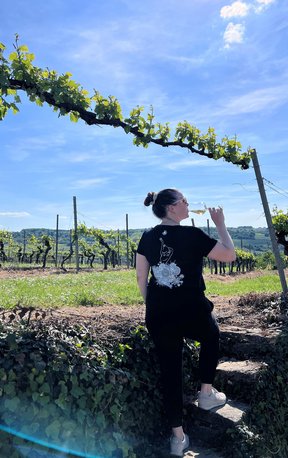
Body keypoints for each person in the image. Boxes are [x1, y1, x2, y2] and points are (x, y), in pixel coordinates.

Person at [136, 188, 236, 457]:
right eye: (184, 201)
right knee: (211, 335)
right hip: (191, 309)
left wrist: (155, 306)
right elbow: (229, 255)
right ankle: (206, 393)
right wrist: (221, 224)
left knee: (171, 373)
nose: (188, 204)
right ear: (171, 208)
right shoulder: (192, 234)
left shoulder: (146, 236)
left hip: (159, 313)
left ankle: (177, 439)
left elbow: (141, 279)